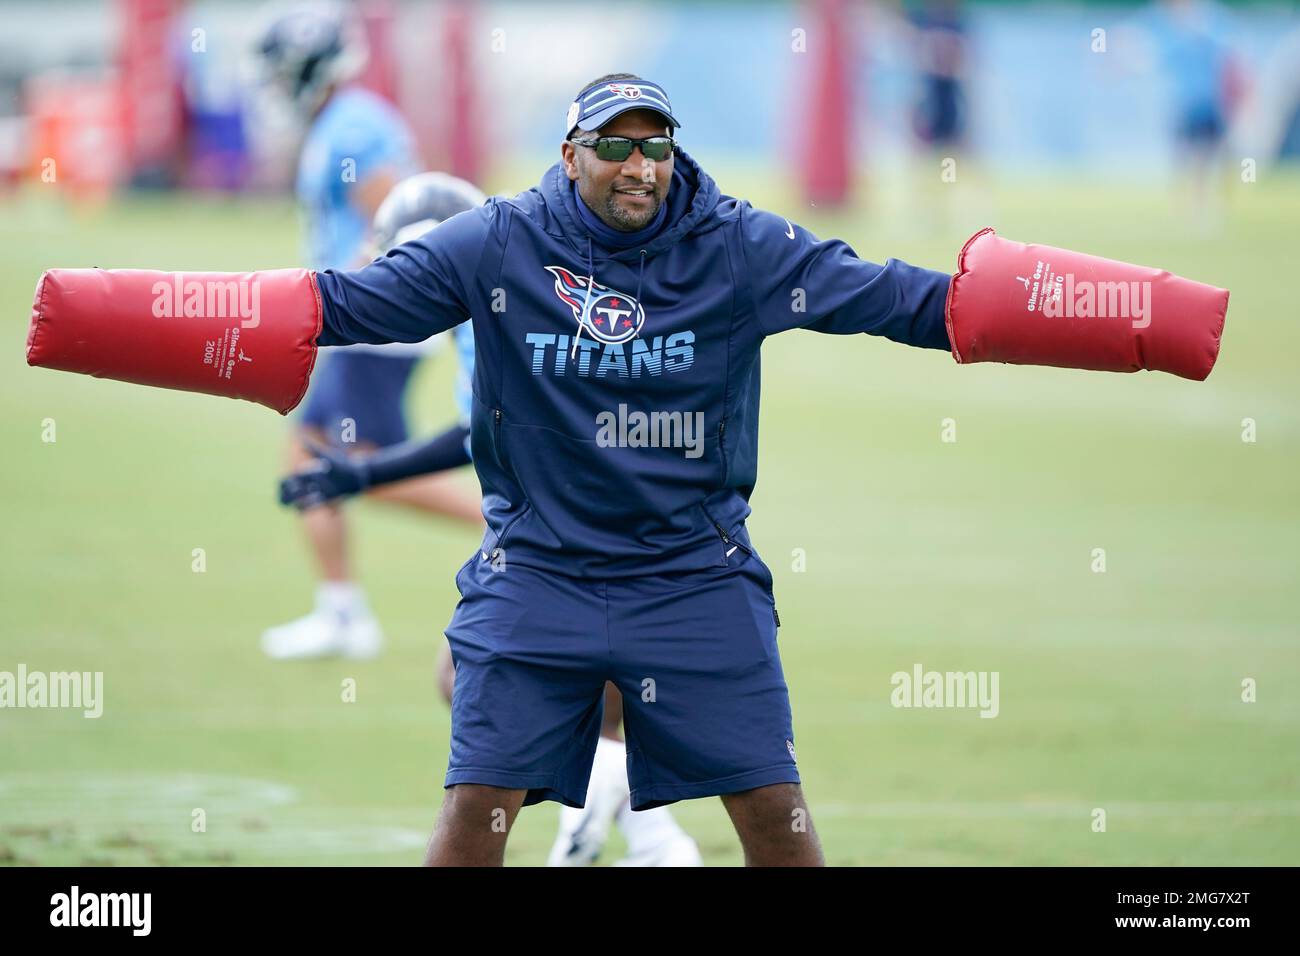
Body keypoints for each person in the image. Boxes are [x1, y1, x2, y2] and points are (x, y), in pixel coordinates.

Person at [29, 74, 1227, 866]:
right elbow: (334, 304)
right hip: (536, 571)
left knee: (774, 812)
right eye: (617, 149)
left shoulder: (742, 247)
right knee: (472, 812)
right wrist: (122, 315)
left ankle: (639, 821)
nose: (640, 169)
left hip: (693, 576)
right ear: (571, 153)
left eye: (656, 149)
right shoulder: (495, 240)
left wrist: (1096, 314)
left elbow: (904, 299)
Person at [279, 171, 702, 866]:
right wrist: (363, 473)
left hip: (595, 536)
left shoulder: (500, 317)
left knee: (484, 686)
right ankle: (648, 835)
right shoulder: (500, 305)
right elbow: (483, 428)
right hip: (614, 525)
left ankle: (622, 815)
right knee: (561, 693)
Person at [251, 3, 480, 661]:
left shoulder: (353, 126)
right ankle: (341, 609)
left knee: (355, 464)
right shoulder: (341, 121)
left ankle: (511, 524)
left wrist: (336, 304)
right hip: (365, 319)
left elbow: (398, 226)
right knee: (313, 456)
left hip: (377, 321)